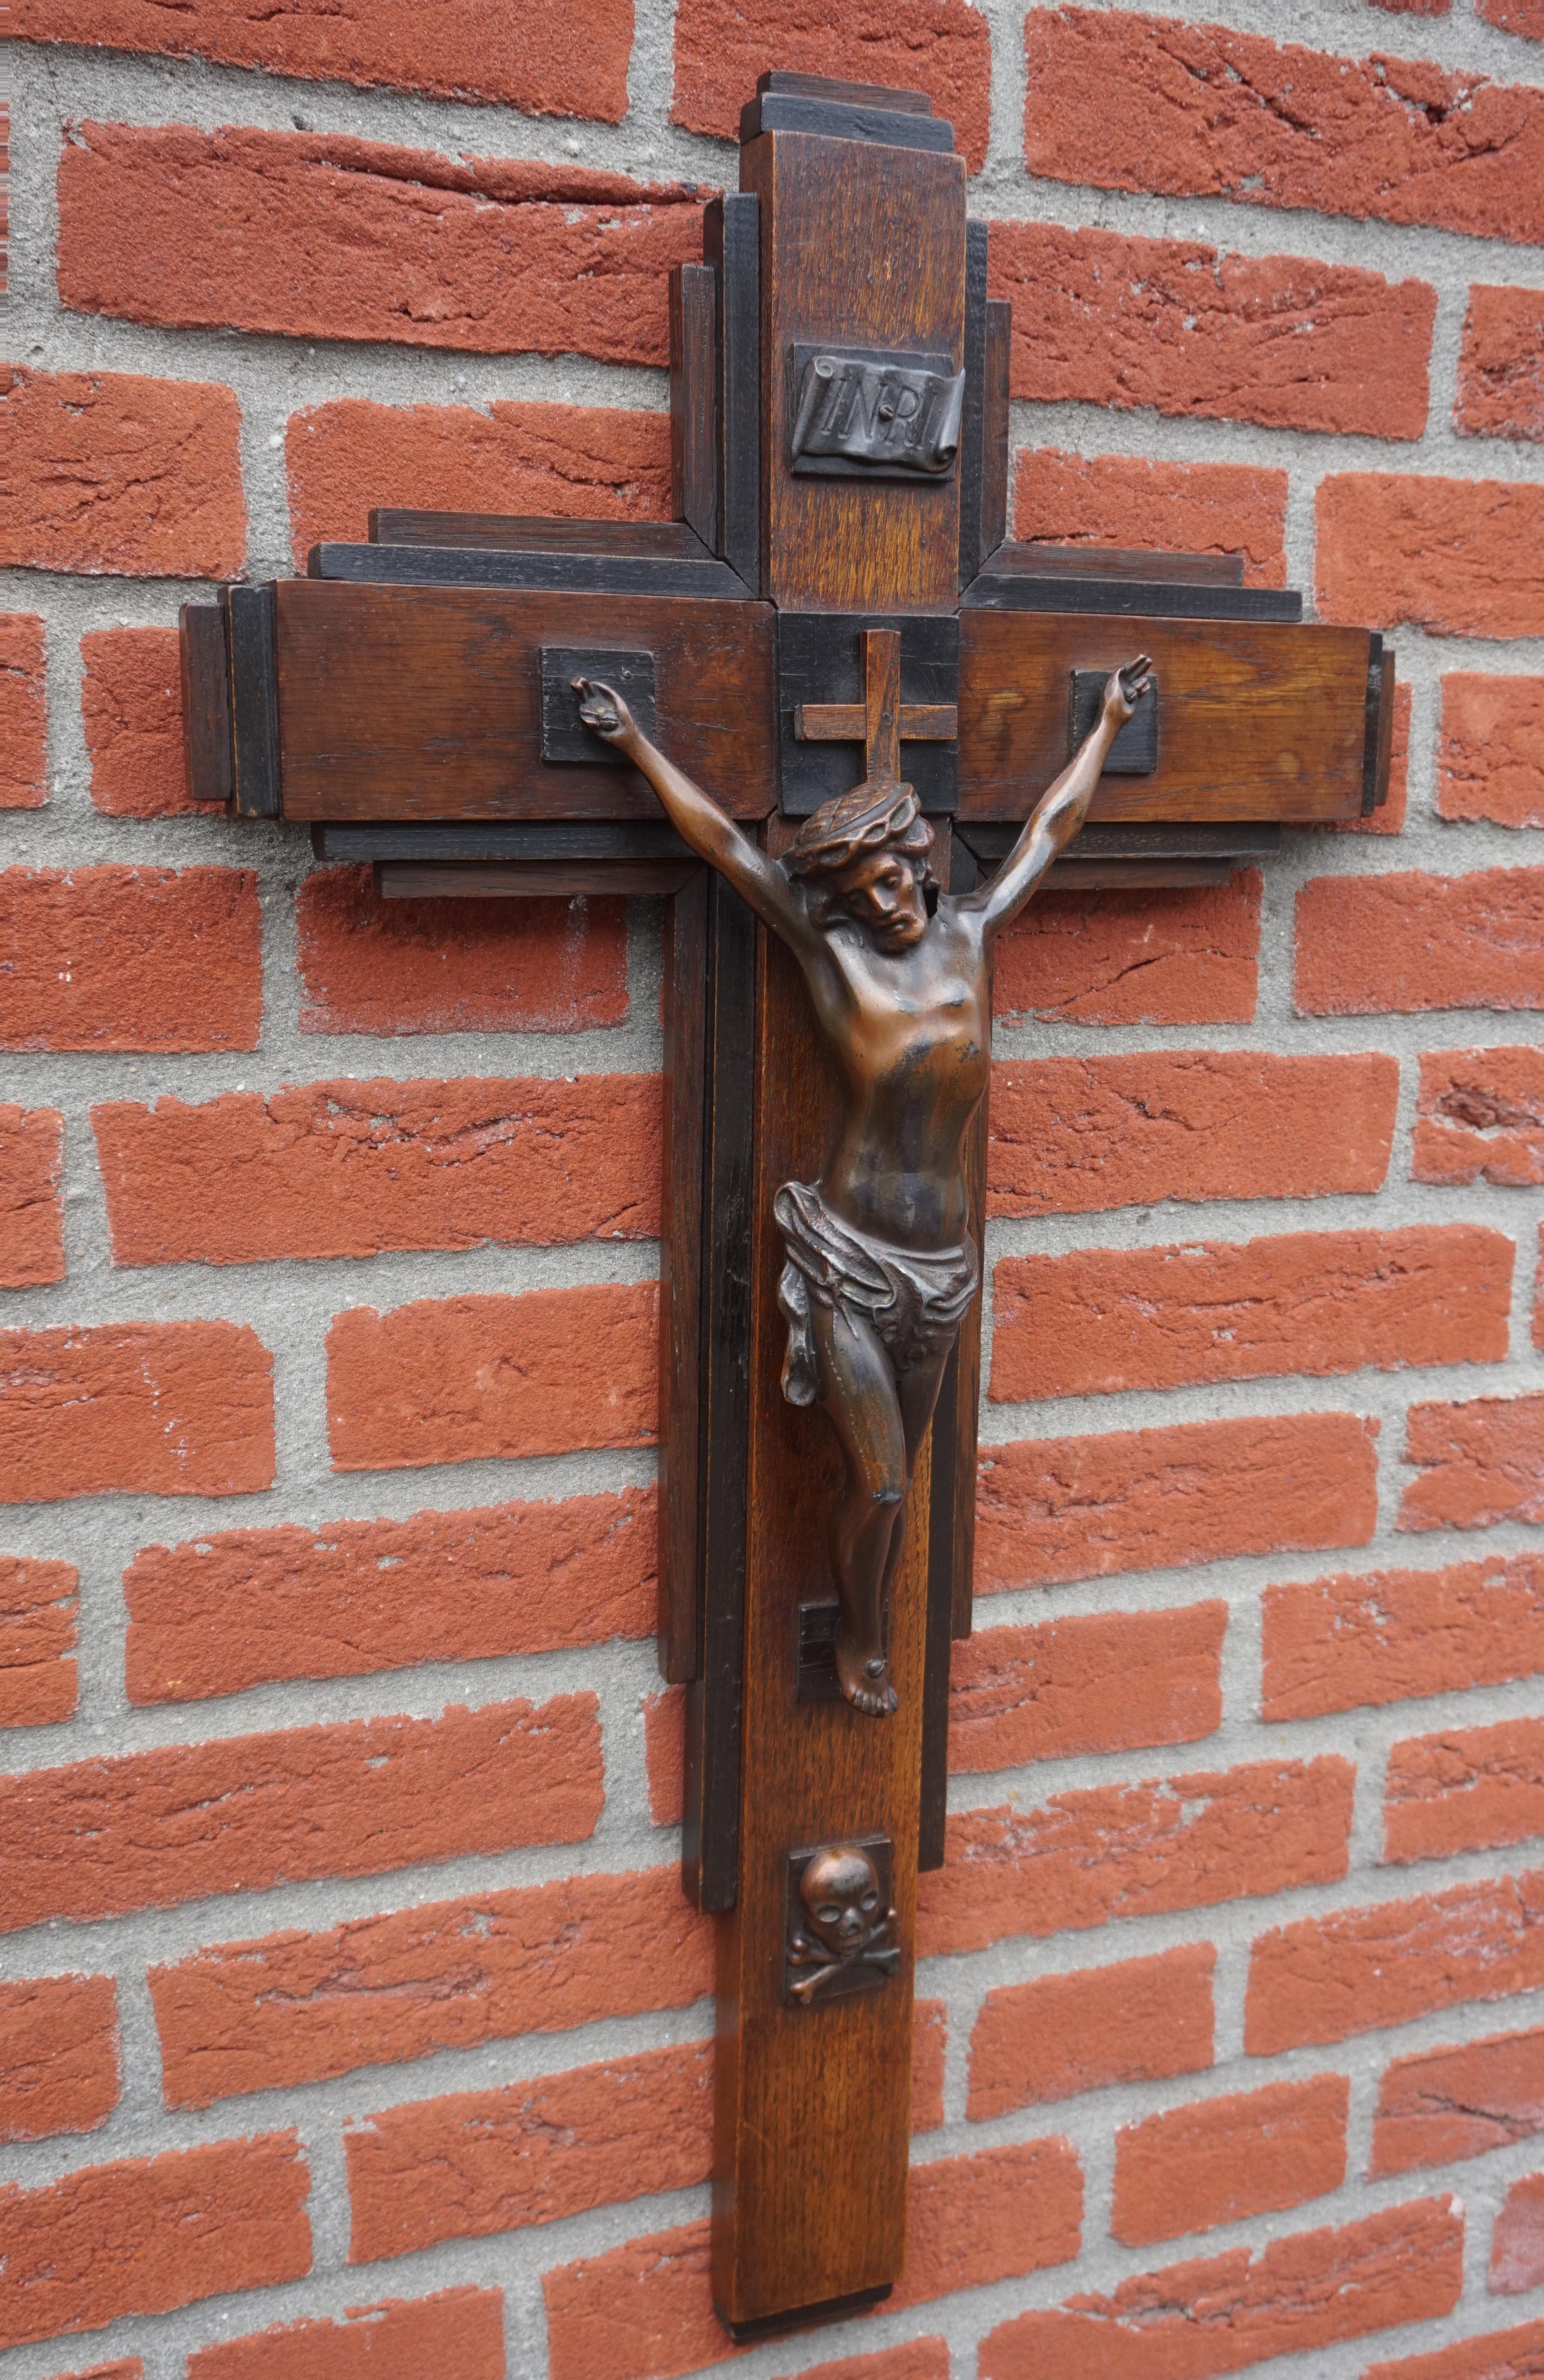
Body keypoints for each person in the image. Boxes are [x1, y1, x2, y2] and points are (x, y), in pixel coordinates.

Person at [574, 656, 1153, 1717]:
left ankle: (867, 1612)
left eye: (892, 876)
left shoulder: (971, 937)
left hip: (943, 1271)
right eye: (859, 891)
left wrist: (1108, 722)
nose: (883, 902)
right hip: (850, 1261)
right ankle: (860, 1635)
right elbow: (727, 850)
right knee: (881, 1481)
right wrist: (632, 744)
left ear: (917, 857)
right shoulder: (830, 959)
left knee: (901, 1486)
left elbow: (1050, 833)